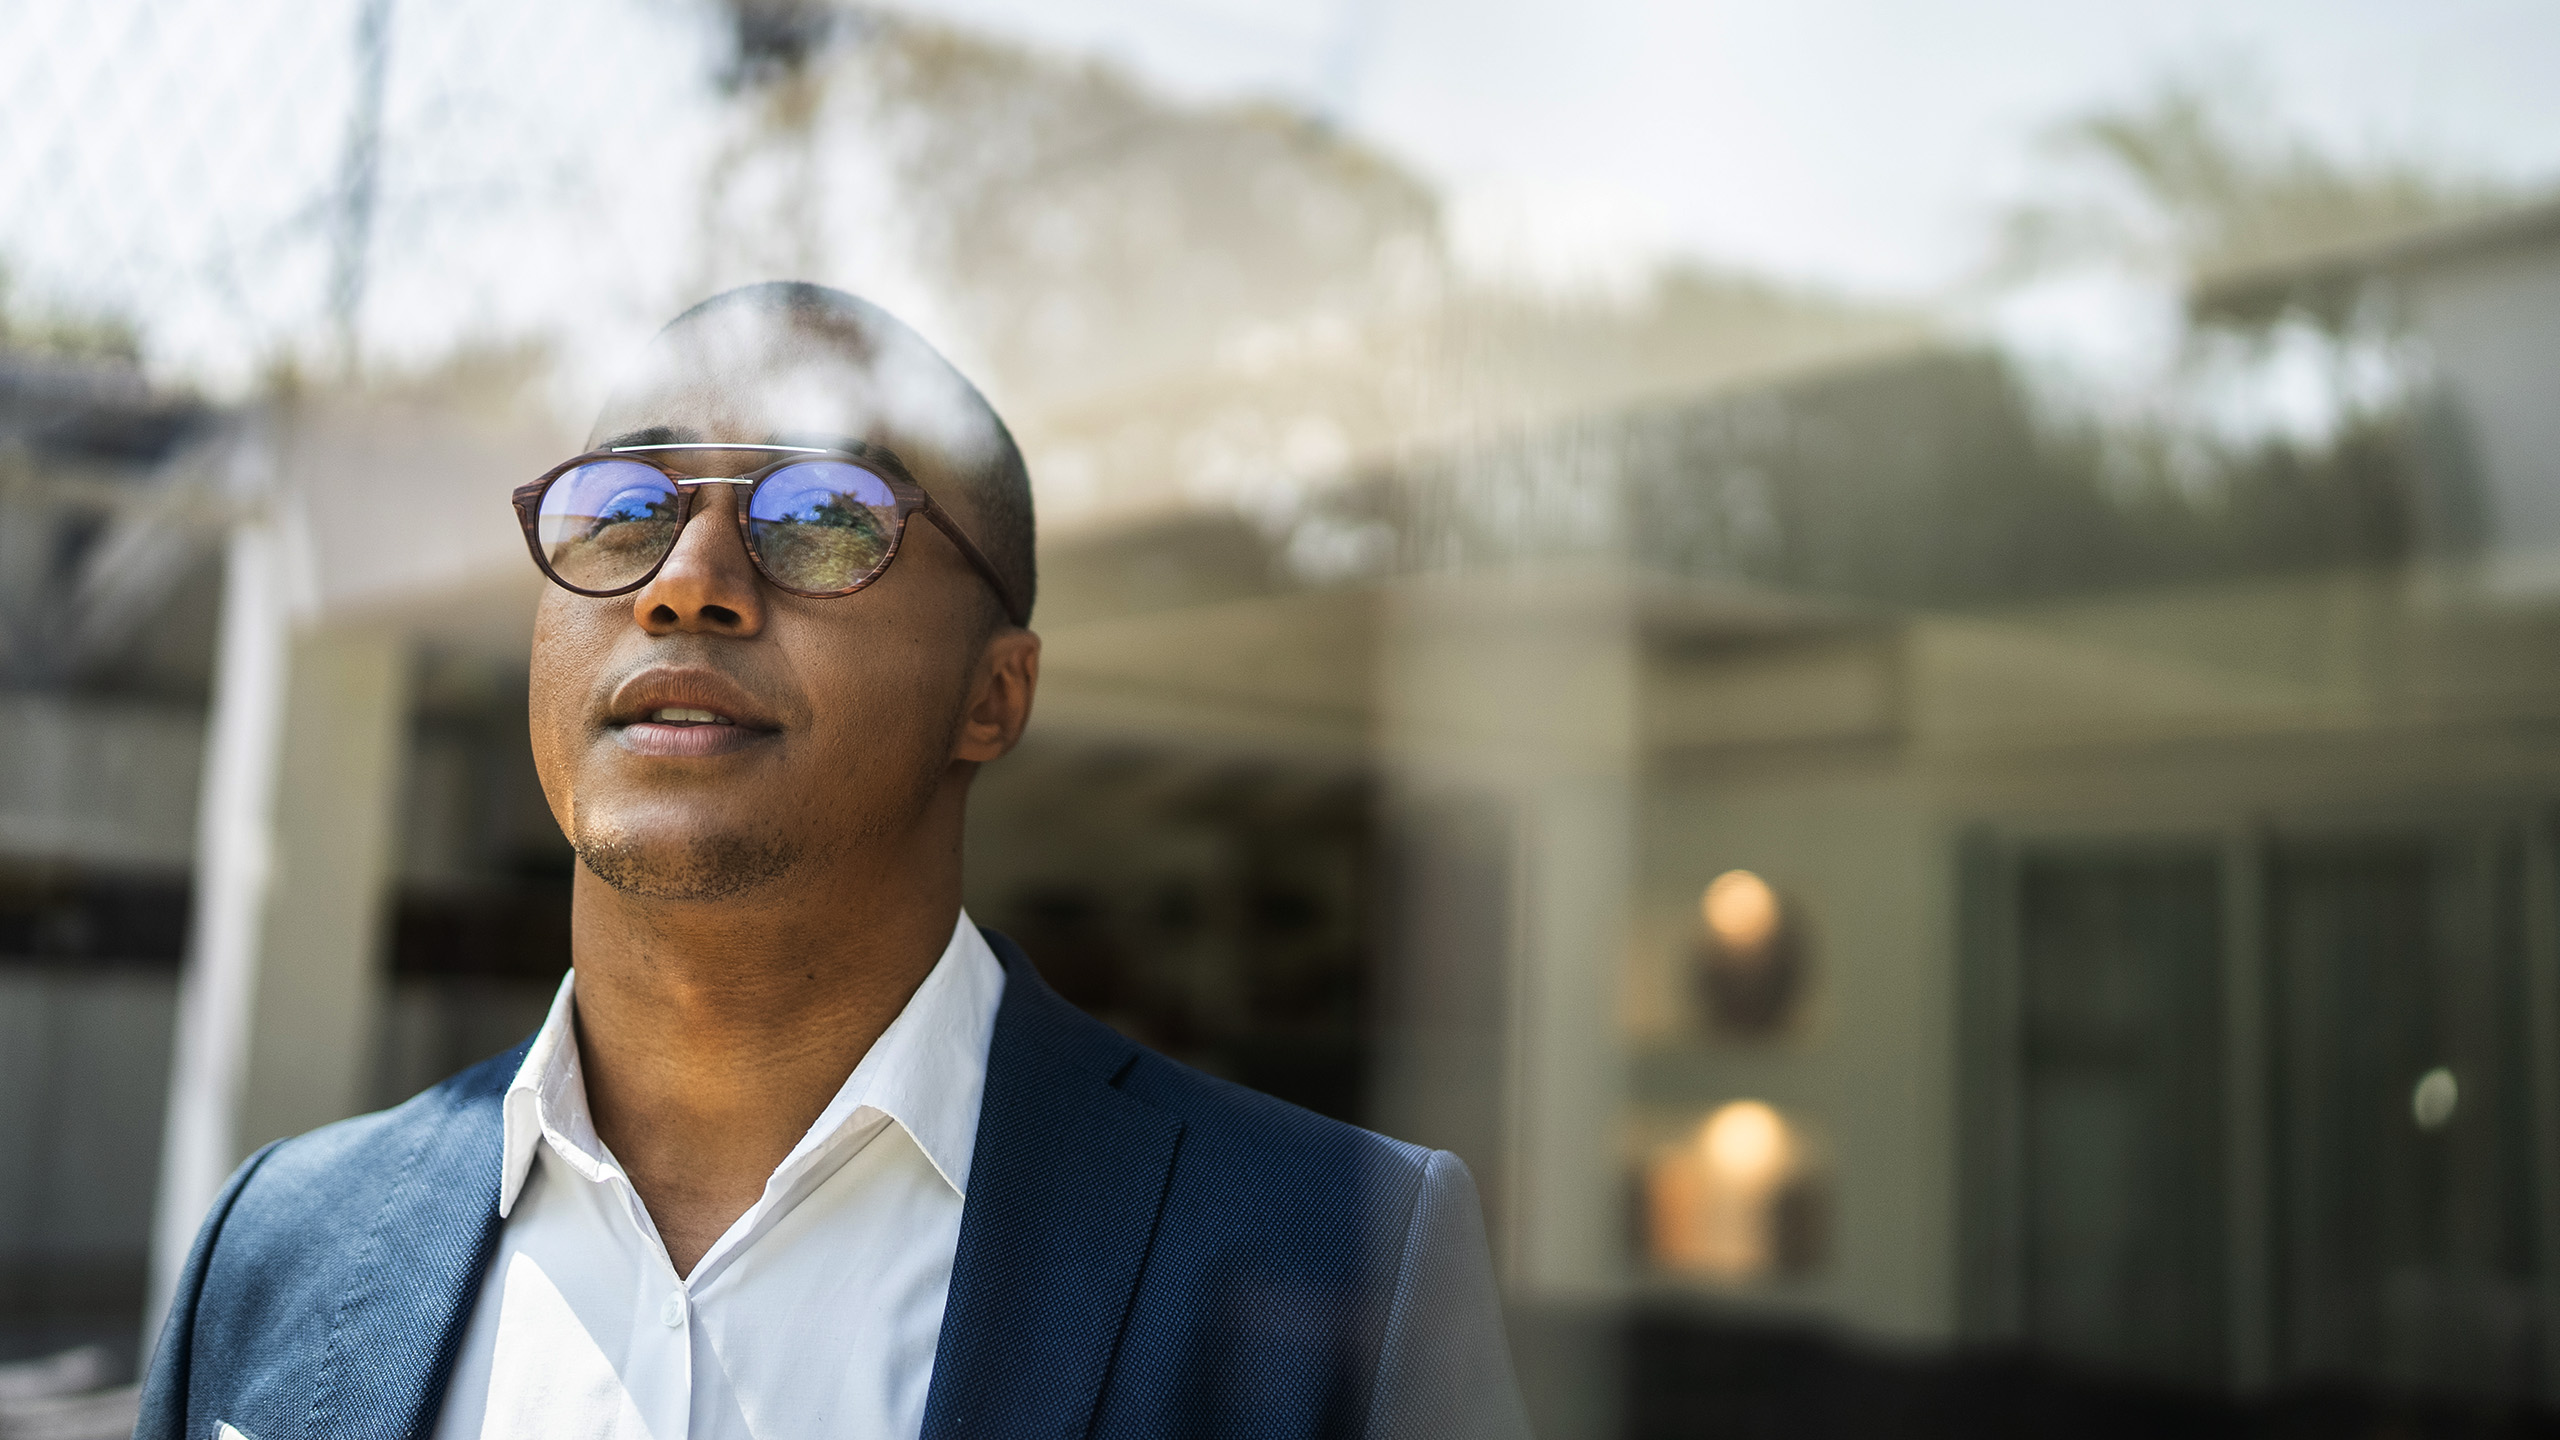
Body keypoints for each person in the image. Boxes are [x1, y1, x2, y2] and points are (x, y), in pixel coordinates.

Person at [136, 282, 1531, 1439]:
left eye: (822, 518)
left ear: (995, 695)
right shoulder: (275, 1246)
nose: (688, 577)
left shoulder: (1334, 1265)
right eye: (622, 506)